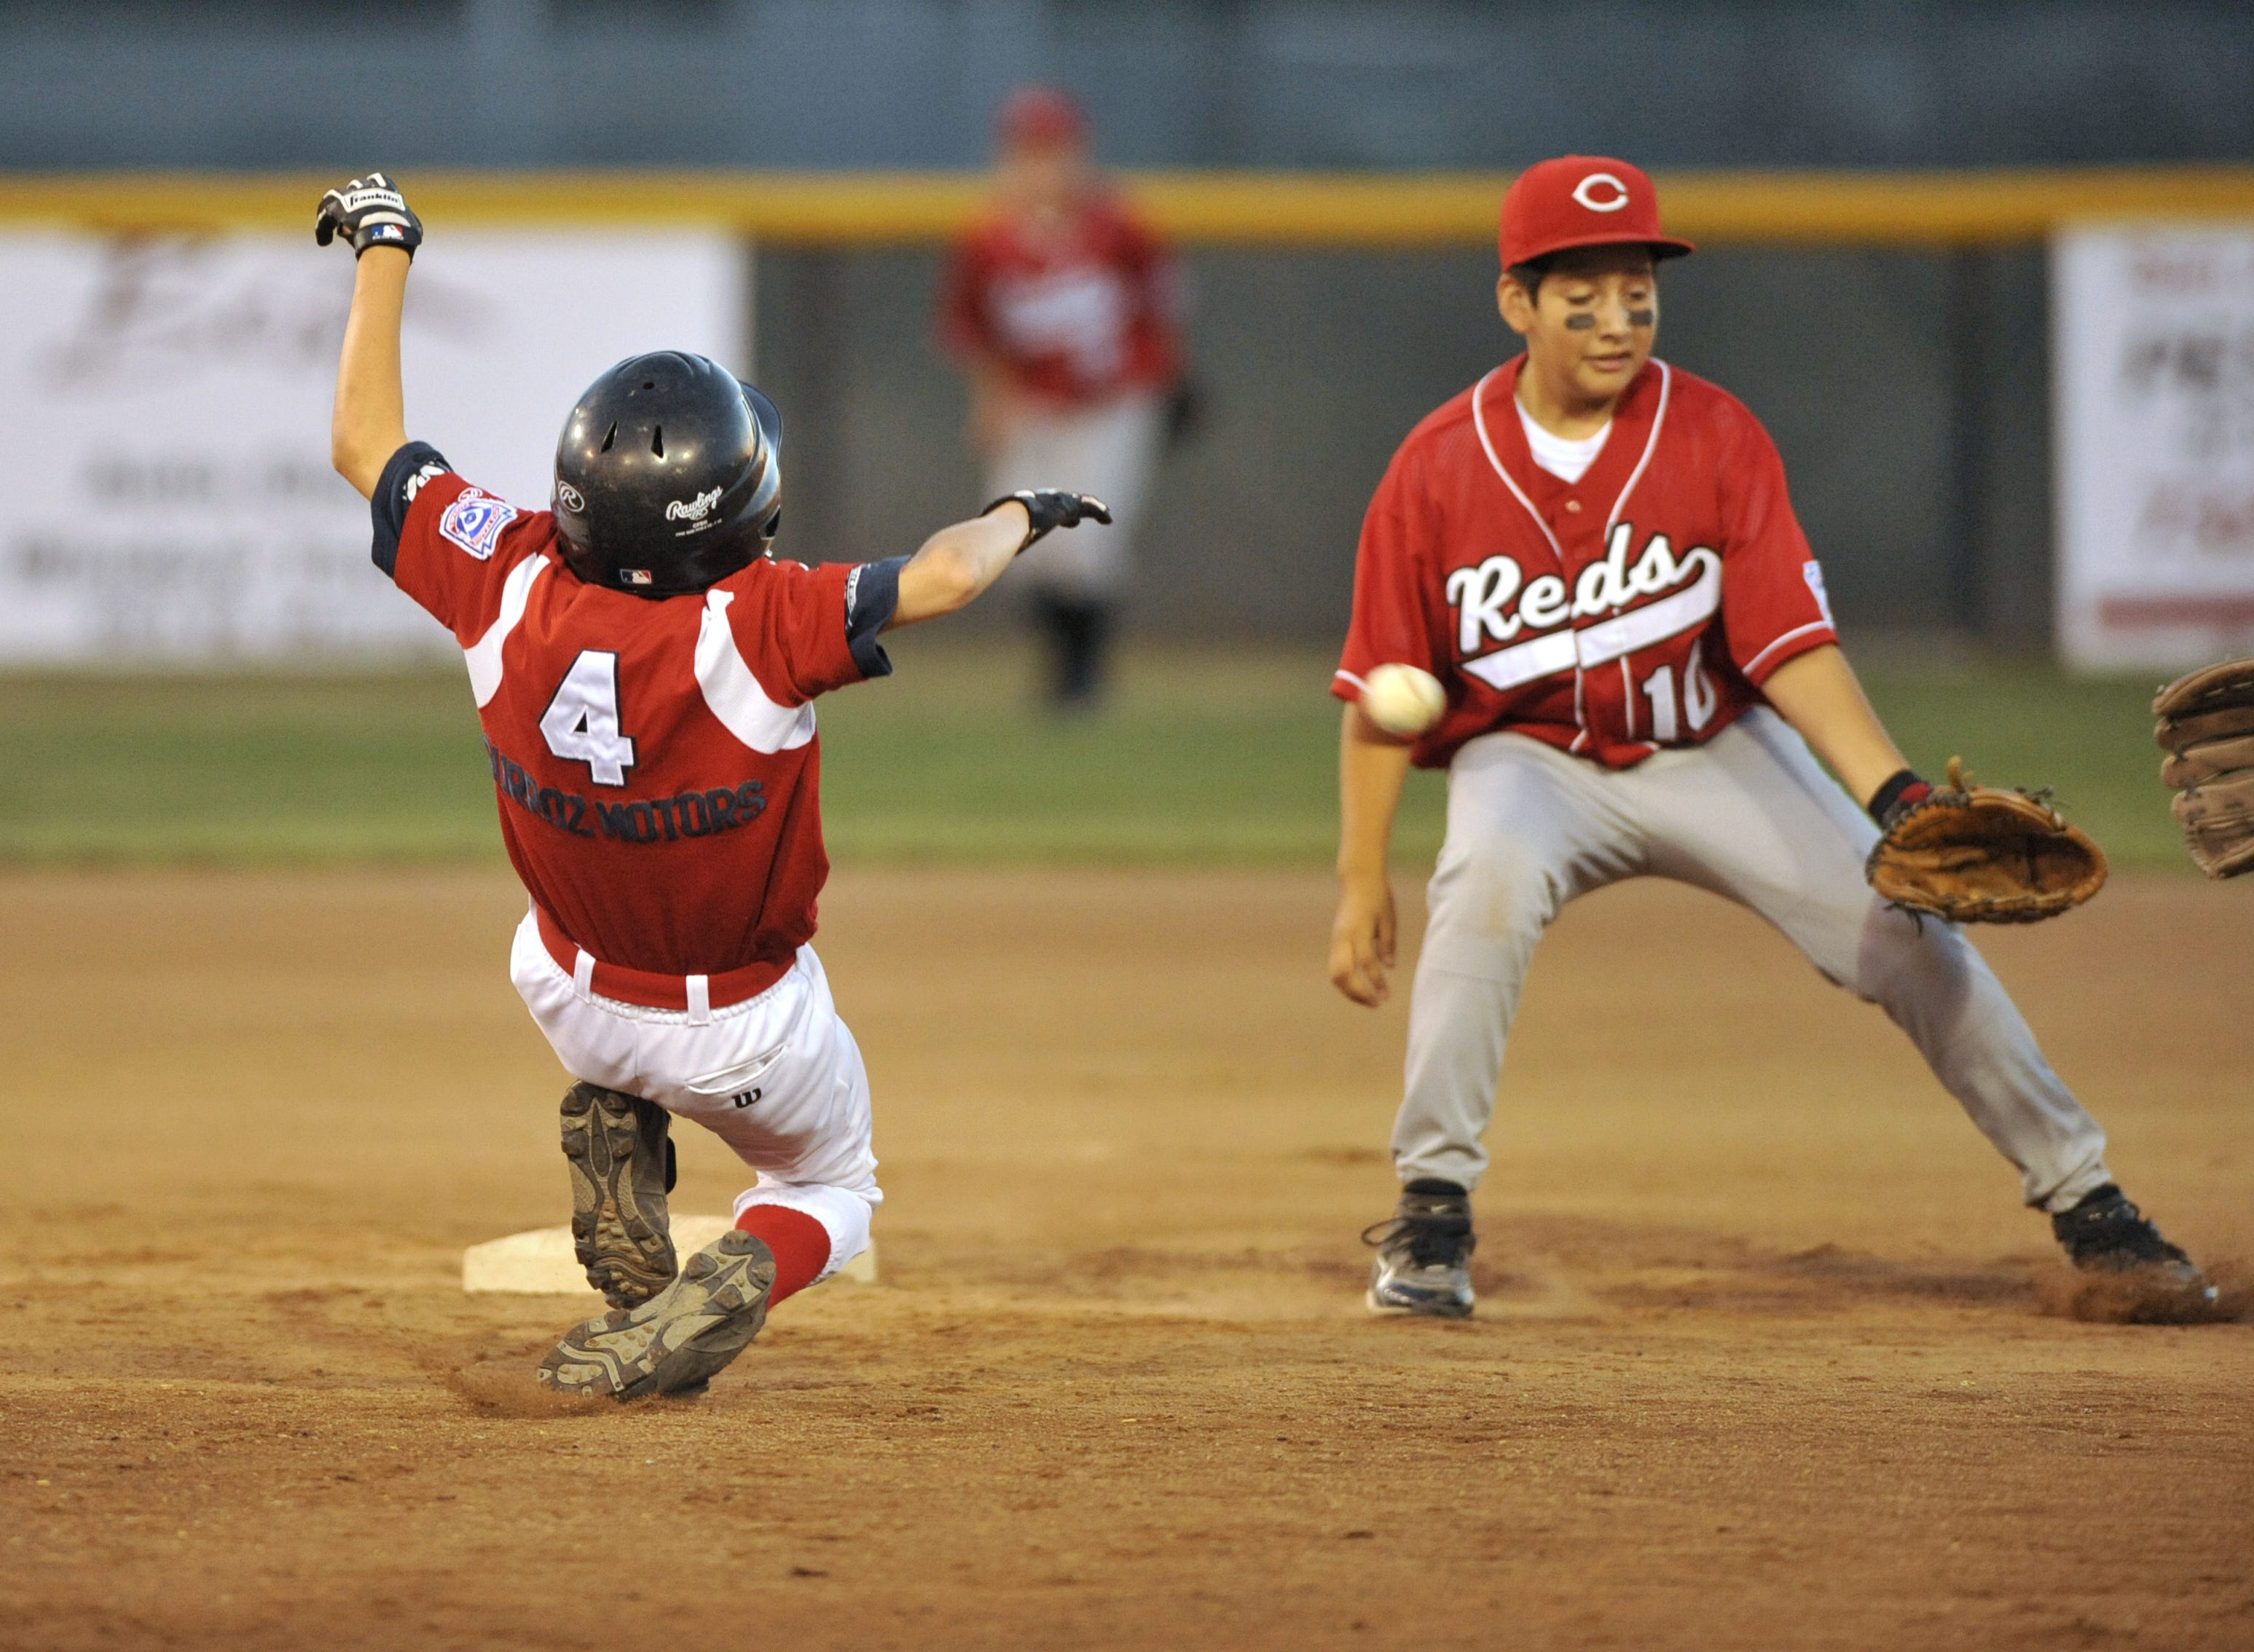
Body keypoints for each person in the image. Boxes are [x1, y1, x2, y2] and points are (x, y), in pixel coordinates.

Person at [1329, 155, 2216, 1320]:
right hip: (1529, 759)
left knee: (1905, 936)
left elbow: (1790, 644)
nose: (1616, 319)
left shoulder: (1714, 436)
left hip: (1711, 747)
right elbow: (1379, 687)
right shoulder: (1436, 465)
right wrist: (1357, 878)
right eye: (1582, 294)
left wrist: (1894, 797)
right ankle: (1431, 1215)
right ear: (1518, 302)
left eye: (1637, 290)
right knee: (1480, 882)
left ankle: (2092, 1203)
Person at [318, 173, 1110, 1397]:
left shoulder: (505, 572)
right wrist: (1023, 508)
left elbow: (362, 444)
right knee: (830, 1188)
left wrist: (384, 243)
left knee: (575, 959)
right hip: (744, 1028)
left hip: (567, 990)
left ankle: (622, 1116)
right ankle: (733, 1268)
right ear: (738, 515)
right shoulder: (759, 617)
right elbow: (948, 576)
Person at [939, 85, 1186, 708]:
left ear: (1080, 154)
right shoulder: (988, 239)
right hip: (1032, 408)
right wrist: (989, 402)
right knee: (1016, 545)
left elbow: (1162, 309)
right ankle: (1065, 674)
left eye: (1055, 151)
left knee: (1086, 547)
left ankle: (1081, 682)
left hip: (1110, 406)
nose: (1043, 166)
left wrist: (1167, 384)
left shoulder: (1118, 226)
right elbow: (975, 331)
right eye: (1029, 152)